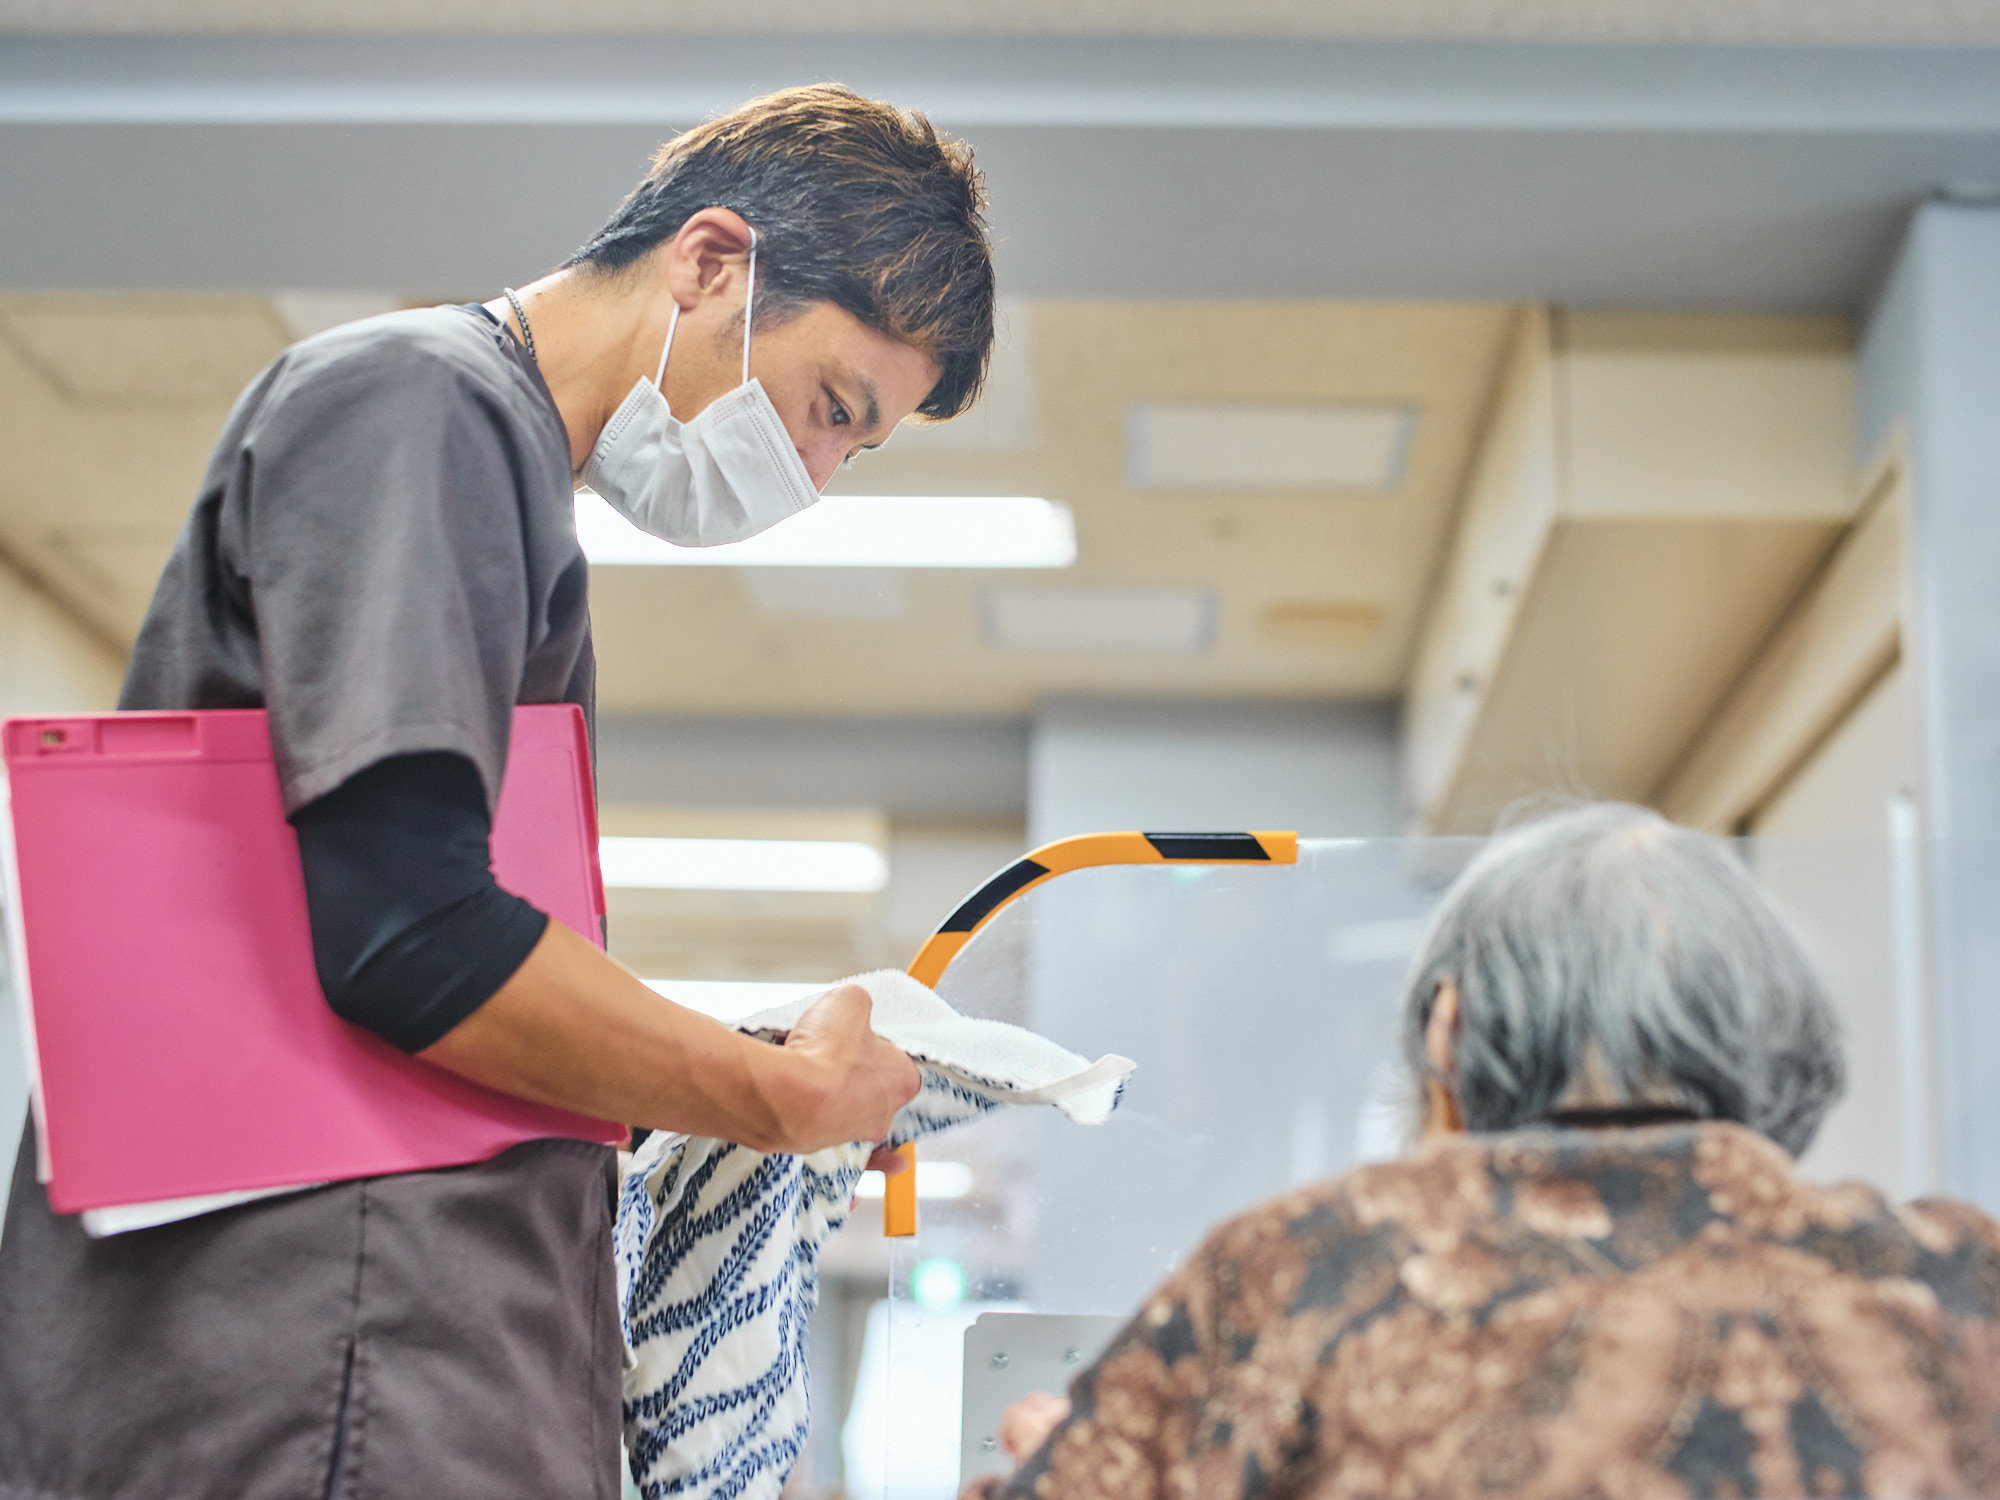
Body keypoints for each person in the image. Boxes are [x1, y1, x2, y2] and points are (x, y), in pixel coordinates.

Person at [0, 85, 994, 1500]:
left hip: (398, 1359)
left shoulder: (510, 475)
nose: (819, 473)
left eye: (858, 446)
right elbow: (408, 936)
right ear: (711, 263)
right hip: (324, 1369)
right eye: (834, 409)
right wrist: (768, 1095)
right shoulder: (418, 405)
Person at [967, 803, 2000, 1500]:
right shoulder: (1959, 1283)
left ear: (1445, 1030)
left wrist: (1050, 1461)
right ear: (1783, 1038)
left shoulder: (1300, 1270)